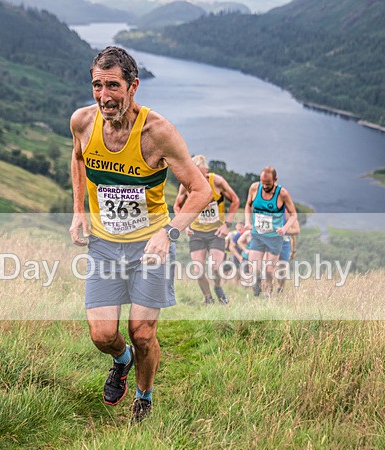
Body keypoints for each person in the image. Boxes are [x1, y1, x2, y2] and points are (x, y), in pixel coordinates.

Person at [69, 46, 211, 423]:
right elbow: (79, 158)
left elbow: (201, 191)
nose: (104, 96)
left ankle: (144, 397)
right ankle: (121, 359)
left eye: (113, 86)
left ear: (133, 87)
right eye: (97, 85)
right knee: (102, 334)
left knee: (142, 332)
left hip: (150, 246)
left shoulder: (158, 133)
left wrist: (170, 233)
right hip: (103, 244)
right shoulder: (83, 122)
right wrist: (79, 210)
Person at [173, 155, 239, 304]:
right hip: (196, 232)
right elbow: (177, 206)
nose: (198, 178)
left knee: (215, 267)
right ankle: (208, 298)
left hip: (216, 232)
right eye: (195, 174)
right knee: (198, 270)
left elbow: (235, 200)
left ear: (206, 170)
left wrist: (226, 224)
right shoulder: (186, 184)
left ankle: (217, 287)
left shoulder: (217, 181)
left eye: (201, 174)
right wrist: (185, 224)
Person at [242, 166, 298, 298]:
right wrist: (247, 222)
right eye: (263, 183)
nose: (265, 186)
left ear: (275, 180)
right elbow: (248, 205)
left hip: (274, 238)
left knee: (269, 270)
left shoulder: (282, 193)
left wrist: (284, 229)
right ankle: (256, 284)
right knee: (253, 267)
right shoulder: (254, 188)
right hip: (258, 235)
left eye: (268, 184)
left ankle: (268, 295)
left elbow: (294, 214)